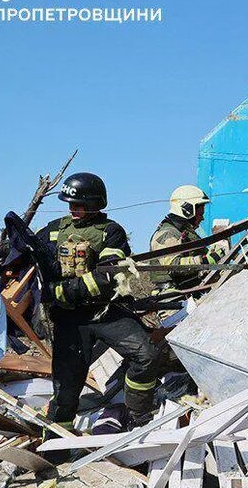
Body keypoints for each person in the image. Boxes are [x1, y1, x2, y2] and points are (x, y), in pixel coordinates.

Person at [37, 172, 162, 430]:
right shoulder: (53, 230)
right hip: (69, 320)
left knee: (146, 355)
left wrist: (64, 291)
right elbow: (30, 255)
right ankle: (57, 448)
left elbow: (108, 275)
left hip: (105, 312)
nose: (73, 209)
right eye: (70, 204)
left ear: (95, 204)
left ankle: (139, 419)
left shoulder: (111, 232)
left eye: (79, 205)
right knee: (66, 389)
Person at [148, 185, 224, 294]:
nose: (202, 218)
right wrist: (207, 260)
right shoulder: (167, 233)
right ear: (188, 210)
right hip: (171, 298)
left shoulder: (186, 234)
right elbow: (175, 266)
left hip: (191, 292)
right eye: (200, 214)